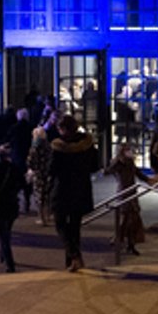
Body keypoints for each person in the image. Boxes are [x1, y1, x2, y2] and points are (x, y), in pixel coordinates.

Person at [48, 115, 99, 271]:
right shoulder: (87, 144)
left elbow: (52, 170)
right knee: (75, 226)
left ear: (63, 129)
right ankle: (72, 262)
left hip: (63, 190)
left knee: (60, 224)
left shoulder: (59, 148)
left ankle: (74, 257)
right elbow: (95, 166)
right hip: (81, 189)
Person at [105, 144, 149, 255]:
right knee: (126, 219)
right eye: (127, 150)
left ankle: (129, 243)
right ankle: (121, 240)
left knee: (132, 219)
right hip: (123, 193)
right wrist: (112, 166)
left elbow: (138, 174)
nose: (130, 152)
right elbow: (107, 171)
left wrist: (150, 180)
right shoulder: (119, 163)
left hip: (132, 192)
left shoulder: (130, 162)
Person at [0, 144, 23, 273]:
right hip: (12, 204)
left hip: (0, 205)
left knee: (3, 235)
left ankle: (9, 263)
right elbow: (21, 184)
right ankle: (3, 253)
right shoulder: (14, 169)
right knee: (7, 232)